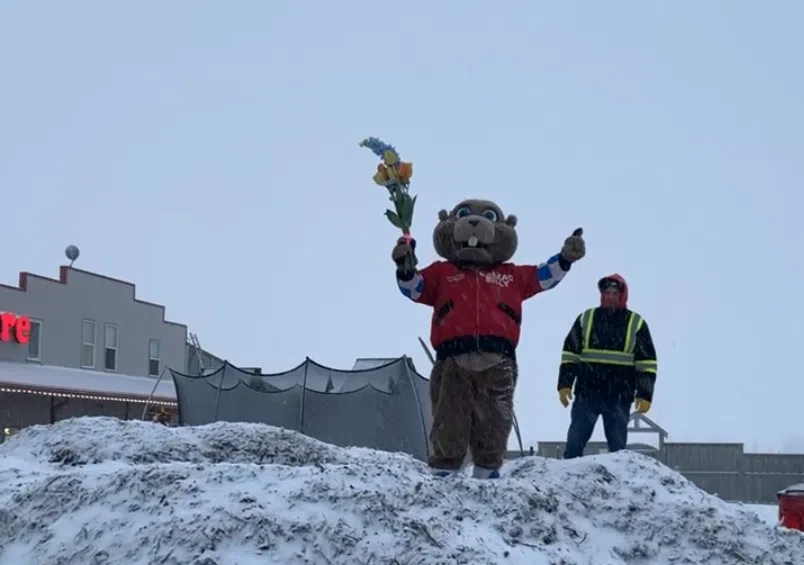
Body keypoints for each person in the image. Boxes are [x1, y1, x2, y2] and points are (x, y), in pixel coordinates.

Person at [557, 273, 657, 458]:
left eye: (614, 293)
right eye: (607, 293)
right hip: (587, 393)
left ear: (622, 295)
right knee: (574, 444)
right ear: (601, 295)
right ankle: (567, 478)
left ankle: (618, 485)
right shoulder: (586, 318)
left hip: (619, 396)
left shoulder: (636, 323)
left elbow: (647, 363)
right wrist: (564, 384)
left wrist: (645, 394)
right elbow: (570, 355)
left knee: (618, 451)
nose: (610, 296)